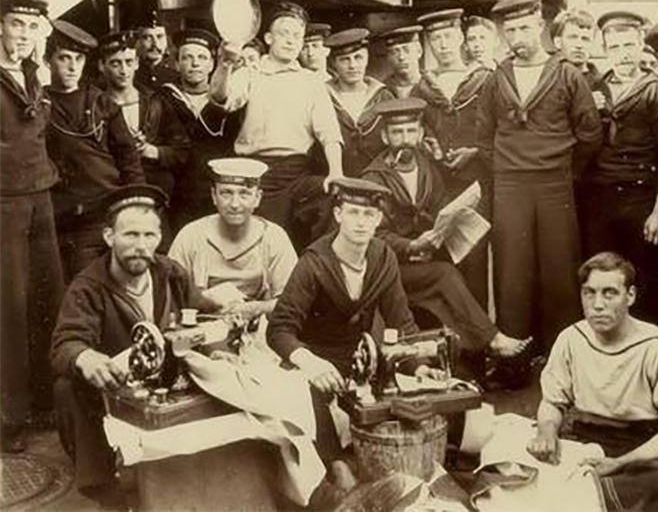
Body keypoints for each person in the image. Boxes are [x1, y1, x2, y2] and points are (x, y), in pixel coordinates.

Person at [266, 177, 429, 492]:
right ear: (338, 214)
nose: (361, 222)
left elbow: (402, 322)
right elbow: (280, 329)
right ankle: (336, 469)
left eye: (369, 215)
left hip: (359, 360)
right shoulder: (314, 263)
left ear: (379, 219)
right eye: (353, 212)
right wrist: (310, 363)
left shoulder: (383, 257)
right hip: (315, 360)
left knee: (421, 399)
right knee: (306, 402)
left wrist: (418, 364)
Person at [50, 185, 214, 497]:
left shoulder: (170, 273)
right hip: (115, 391)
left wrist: (221, 304)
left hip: (168, 382)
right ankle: (104, 487)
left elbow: (198, 307)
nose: (141, 246)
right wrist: (86, 358)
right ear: (109, 236)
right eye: (131, 235)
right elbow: (64, 344)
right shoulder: (88, 287)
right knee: (67, 387)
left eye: (149, 236)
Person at [476, 0, 603, 376]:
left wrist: (564, 171)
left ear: (542, 28)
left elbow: (590, 133)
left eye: (525, 28)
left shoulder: (567, 73)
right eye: (510, 29)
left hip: (555, 185)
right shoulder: (496, 79)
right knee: (512, 273)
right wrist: (507, 172)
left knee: (560, 271)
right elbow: (485, 137)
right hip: (511, 185)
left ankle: (564, 363)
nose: (517, 36)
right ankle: (514, 362)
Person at [362, 98, 530, 370]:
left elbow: (441, 209)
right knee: (443, 274)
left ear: (419, 134)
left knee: (464, 265)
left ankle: (469, 362)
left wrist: (442, 232)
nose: (404, 140)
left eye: (410, 131)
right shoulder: (374, 178)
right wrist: (411, 245)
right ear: (384, 136)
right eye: (396, 132)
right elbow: (373, 237)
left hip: (422, 258)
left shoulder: (427, 167)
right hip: (389, 268)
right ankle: (492, 339)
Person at [530, 252, 658, 511]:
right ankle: (581, 494)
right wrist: (546, 431)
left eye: (609, 293)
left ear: (630, 295)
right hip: (582, 436)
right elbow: (553, 401)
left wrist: (621, 462)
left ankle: (567, 495)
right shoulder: (571, 338)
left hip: (640, 447)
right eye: (589, 293)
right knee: (502, 435)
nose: (597, 304)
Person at [210, 1, 343, 249]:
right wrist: (226, 63)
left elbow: (329, 132)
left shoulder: (310, 81)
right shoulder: (251, 73)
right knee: (266, 242)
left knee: (332, 198)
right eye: (285, 33)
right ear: (269, 37)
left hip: (297, 173)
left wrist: (336, 171)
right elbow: (221, 98)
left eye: (297, 36)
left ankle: (317, 273)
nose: (292, 41)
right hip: (257, 174)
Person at [580, 11, 658, 319]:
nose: (622, 55)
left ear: (640, 47)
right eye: (614, 47)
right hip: (601, 199)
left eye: (628, 46)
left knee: (641, 277)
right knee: (600, 273)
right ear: (605, 50)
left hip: (640, 199)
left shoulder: (655, 92)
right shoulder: (597, 88)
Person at [0, 0, 64, 453]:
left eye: (31, 26)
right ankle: (9, 416)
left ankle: (44, 402)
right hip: (4, 200)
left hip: (40, 193)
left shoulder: (31, 74)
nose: (23, 34)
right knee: (10, 306)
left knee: (47, 294)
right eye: (15, 24)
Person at [45, 19, 145, 281]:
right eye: (63, 58)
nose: (71, 67)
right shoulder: (40, 104)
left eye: (77, 59)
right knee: (83, 284)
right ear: (48, 62)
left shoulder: (101, 102)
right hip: (67, 215)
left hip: (108, 209)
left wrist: (137, 204)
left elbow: (128, 158)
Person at [411, 8, 493, 309]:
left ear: (461, 37)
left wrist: (474, 152)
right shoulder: (422, 86)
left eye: (448, 36)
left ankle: (478, 343)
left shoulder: (485, 80)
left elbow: (498, 129)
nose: (443, 44)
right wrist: (428, 143)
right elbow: (422, 129)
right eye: (435, 39)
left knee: (473, 258)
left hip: (476, 186)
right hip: (438, 186)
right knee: (442, 260)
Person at [169, 158, 297, 321]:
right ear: (214, 196)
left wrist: (256, 308)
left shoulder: (274, 237)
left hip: (258, 328)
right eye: (226, 193)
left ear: (257, 198)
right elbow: (169, 294)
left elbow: (291, 301)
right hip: (202, 328)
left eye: (244, 194)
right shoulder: (191, 235)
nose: (235, 204)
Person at [98, 31, 190, 215]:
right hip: (111, 189)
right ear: (102, 66)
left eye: (129, 62)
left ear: (137, 64)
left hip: (155, 191)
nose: (124, 71)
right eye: (115, 63)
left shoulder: (156, 101)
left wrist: (153, 151)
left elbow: (182, 150)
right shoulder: (94, 105)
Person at [161, 28, 237, 231]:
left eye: (202, 57)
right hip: (181, 193)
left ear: (212, 64)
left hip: (220, 189)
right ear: (176, 64)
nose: (195, 64)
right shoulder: (164, 98)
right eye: (187, 58)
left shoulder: (231, 98)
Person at [325, 27, 395, 176]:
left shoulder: (384, 96)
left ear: (367, 58)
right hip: (335, 179)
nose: (353, 66)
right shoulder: (323, 97)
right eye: (344, 60)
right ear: (333, 64)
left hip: (379, 178)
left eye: (358, 57)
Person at [550, 8, 603, 90]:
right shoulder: (548, 80)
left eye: (585, 39)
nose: (579, 45)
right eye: (572, 38)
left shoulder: (601, 83)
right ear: (558, 42)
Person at [133, 12, 179, 93]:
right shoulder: (129, 78)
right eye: (147, 38)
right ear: (138, 42)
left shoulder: (177, 79)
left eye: (160, 36)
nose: (155, 44)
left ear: (166, 41)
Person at [379, 24, 423, 98]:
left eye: (406, 50)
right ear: (388, 58)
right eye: (394, 52)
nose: (401, 57)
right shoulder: (380, 92)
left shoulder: (433, 86)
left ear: (419, 51)